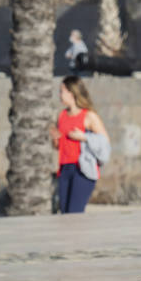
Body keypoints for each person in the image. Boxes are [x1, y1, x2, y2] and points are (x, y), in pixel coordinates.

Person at [53, 76, 108, 214]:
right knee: (64, 213)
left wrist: (83, 137)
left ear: (72, 92)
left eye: (62, 91)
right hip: (64, 168)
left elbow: (104, 141)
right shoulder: (62, 115)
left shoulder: (88, 116)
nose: (59, 95)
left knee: (74, 213)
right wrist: (55, 139)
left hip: (82, 169)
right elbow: (59, 146)